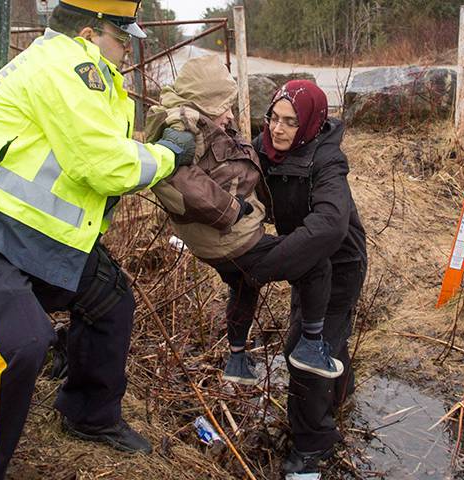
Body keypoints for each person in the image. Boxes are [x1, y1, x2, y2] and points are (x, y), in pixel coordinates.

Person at [0, 2, 195, 479]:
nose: (126, 52)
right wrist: (167, 155)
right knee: (17, 342)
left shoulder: (71, 69)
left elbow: (85, 150)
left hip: (18, 231)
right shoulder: (66, 66)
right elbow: (102, 166)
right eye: (122, 40)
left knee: (110, 300)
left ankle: (89, 415)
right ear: (89, 33)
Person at [145, 56, 342, 387]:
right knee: (317, 268)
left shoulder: (197, 120)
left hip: (220, 241)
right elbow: (177, 179)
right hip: (232, 237)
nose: (229, 114)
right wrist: (230, 210)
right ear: (204, 101)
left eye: (289, 122)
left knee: (242, 283)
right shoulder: (183, 128)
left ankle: (237, 360)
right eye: (222, 106)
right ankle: (309, 345)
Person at [252, 80, 368, 479]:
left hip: (339, 267)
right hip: (304, 261)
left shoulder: (327, 161)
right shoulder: (263, 150)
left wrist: (265, 263)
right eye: (273, 118)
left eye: (289, 122)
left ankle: (312, 446)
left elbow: (330, 225)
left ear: (311, 124)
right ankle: (341, 389)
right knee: (322, 336)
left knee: (302, 352)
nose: (277, 129)